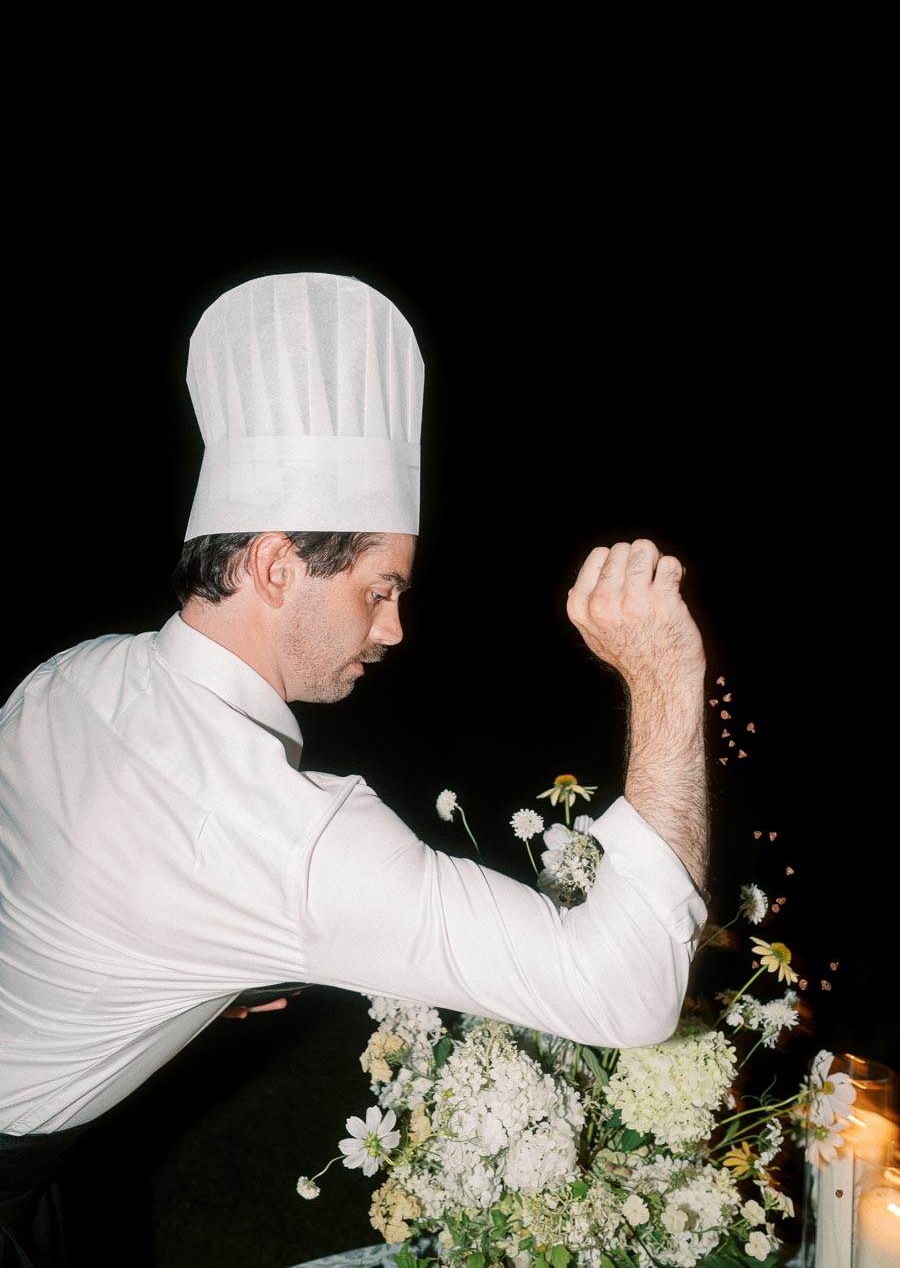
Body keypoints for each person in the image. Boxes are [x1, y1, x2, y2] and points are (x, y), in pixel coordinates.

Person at [0, 272, 709, 1266]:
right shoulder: (292, 843)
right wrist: (668, 677)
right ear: (278, 566)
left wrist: (188, 960)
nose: (396, 627)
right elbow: (628, 994)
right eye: (381, 589)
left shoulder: (67, 680)